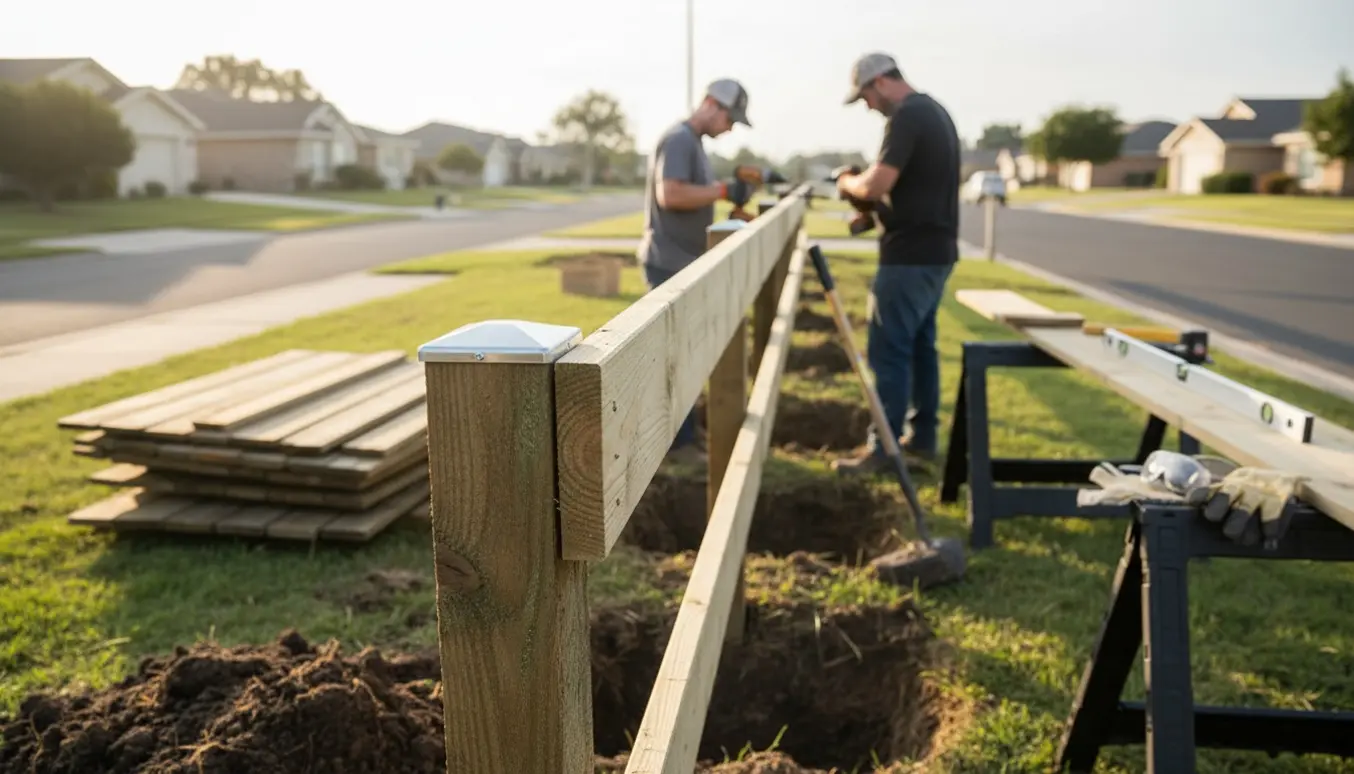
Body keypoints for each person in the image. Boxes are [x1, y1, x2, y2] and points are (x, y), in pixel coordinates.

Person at [830, 52, 961, 476]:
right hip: (936, 253)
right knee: (921, 348)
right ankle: (921, 439)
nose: (868, 105)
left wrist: (847, 182)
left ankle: (883, 450)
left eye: (866, 95)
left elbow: (879, 182)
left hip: (908, 258)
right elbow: (914, 192)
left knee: (888, 350)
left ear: (882, 81)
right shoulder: (936, 111)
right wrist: (876, 215)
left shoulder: (906, 116)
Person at [637, 78, 756, 466]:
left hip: (682, 261)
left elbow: (691, 198)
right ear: (711, 104)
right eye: (729, 119)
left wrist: (727, 206)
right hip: (668, 262)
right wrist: (723, 191)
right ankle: (679, 444)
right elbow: (670, 194)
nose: (730, 128)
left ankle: (687, 434)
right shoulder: (680, 140)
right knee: (677, 355)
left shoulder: (694, 145)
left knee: (686, 351)